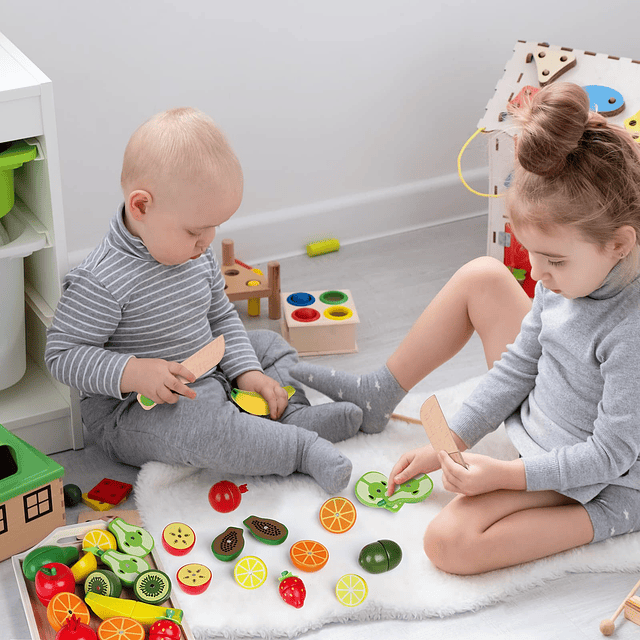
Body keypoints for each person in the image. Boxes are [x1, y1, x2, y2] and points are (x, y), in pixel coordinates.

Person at [291, 82, 640, 573]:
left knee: (448, 544)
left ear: (620, 244)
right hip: (545, 405)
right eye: (535, 257)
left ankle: (613, 516)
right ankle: (380, 390)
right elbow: (521, 365)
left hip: (600, 472)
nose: (536, 276)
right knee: (483, 276)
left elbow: (609, 454)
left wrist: (508, 476)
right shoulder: (566, 275)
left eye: (554, 261)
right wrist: (450, 440)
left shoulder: (630, 333)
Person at [45, 107, 362, 494]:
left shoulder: (194, 251)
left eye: (215, 227)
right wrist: (135, 372)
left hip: (206, 367)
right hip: (137, 407)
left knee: (270, 345)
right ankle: (298, 449)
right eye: (197, 230)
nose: (207, 241)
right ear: (141, 206)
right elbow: (62, 355)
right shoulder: (102, 280)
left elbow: (221, 315)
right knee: (207, 430)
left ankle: (291, 414)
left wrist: (248, 373)